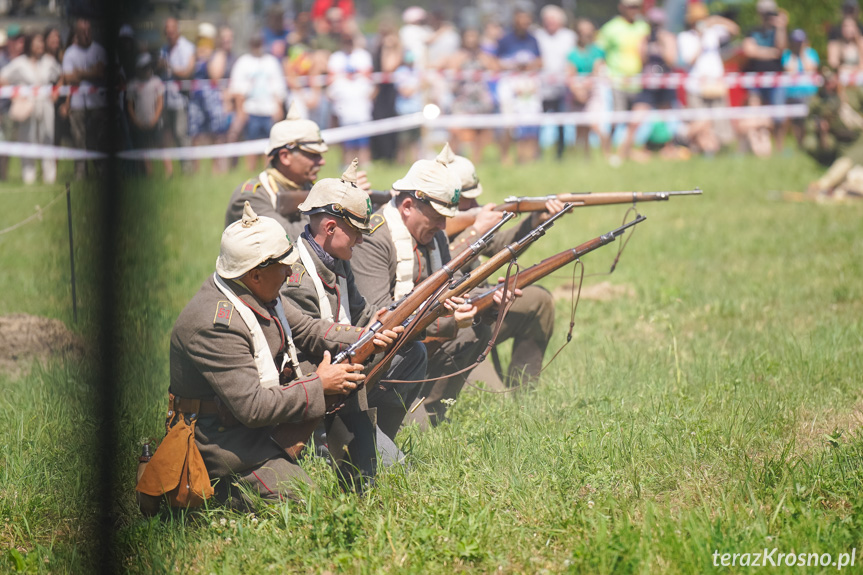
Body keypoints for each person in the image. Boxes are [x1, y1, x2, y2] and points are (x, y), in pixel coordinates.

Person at [169, 201, 399, 507]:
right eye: (283, 266)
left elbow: (308, 329)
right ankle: (219, 492)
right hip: (222, 443)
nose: (291, 271)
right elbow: (252, 407)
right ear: (255, 274)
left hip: (256, 429)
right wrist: (320, 385)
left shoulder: (258, 291)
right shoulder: (214, 324)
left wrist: (368, 336)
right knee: (312, 504)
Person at [282, 159, 428, 441]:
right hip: (315, 380)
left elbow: (361, 312)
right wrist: (366, 334)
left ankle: (375, 436)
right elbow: (308, 341)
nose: (360, 240)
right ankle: (326, 438)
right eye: (356, 232)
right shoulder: (295, 275)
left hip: (345, 359)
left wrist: (391, 321)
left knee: (412, 351)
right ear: (330, 228)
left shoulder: (338, 260)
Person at [350, 143, 488, 426]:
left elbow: (452, 285)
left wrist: (488, 297)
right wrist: (447, 320)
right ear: (408, 206)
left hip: (416, 342)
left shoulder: (433, 234)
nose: (442, 227)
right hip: (378, 354)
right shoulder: (376, 238)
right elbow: (380, 317)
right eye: (437, 217)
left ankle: (432, 408)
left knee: (477, 328)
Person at [446, 153, 559, 388]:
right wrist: (475, 231)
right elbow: (441, 272)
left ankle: (525, 392)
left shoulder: (463, 225)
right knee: (498, 404)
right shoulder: (427, 231)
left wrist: (536, 220)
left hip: (482, 310)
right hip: (452, 328)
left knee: (539, 300)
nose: (476, 206)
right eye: (468, 200)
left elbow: (499, 245)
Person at [224, 103, 328, 238]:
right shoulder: (251, 197)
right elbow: (287, 238)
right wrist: (326, 211)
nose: (322, 161)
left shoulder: (306, 185)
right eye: (313, 155)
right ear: (285, 157)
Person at [677, 2, 738, 155]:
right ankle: (699, 149)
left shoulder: (714, 32)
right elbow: (689, 60)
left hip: (715, 84)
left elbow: (735, 30)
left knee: (719, 122)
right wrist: (700, 40)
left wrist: (717, 20)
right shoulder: (685, 37)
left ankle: (718, 150)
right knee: (701, 122)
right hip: (696, 87)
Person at [0, 31, 61, 184]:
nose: (40, 45)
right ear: (30, 45)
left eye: (42, 42)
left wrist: (56, 93)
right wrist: (16, 96)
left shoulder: (48, 61)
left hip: (46, 106)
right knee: (28, 141)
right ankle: (29, 177)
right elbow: (3, 78)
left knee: (48, 140)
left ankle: (49, 177)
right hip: (28, 107)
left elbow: (61, 76)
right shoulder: (20, 63)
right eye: (37, 42)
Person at [596, 0, 650, 162]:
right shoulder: (610, 28)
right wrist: (604, 74)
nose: (634, 10)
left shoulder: (643, 26)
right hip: (617, 81)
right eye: (630, 6)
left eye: (637, 6)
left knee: (634, 121)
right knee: (617, 120)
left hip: (638, 81)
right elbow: (599, 53)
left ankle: (624, 152)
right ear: (622, 8)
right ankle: (606, 152)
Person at [438, 26, 498, 163]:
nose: (472, 40)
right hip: (462, 100)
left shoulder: (484, 56)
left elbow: (495, 69)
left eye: (474, 36)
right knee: (456, 132)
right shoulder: (457, 56)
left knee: (480, 134)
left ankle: (476, 161)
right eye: (469, 37)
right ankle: (450, 162)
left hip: (480, 99)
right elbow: (450, 72)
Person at [229, 32, 287, 172]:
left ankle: (268, 173)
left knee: (270, 146)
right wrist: (241, 111)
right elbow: (237, 89)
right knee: (251, 145)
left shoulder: (271, 61)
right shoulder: (243, 62)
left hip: (269, 110)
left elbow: (278, 86)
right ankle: (251, 173)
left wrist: (278, 108)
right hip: (251, 110)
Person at [62, 18, 107, 180]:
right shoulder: (70, 53)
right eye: (83, 32)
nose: (87, 35)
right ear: (77, 34)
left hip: (98, 104)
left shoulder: (99, 50)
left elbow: (103, 73)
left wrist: (79, 73)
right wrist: (91, 72)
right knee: (79, 140)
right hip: (78, 104)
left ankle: (102, 172)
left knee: (98, 139)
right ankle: (80, 174)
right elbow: (68, 78)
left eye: (89, 31)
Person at [741, 0, 788, 152]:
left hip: (775, 80)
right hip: (755, 79)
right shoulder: (752, 30)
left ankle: (780, 148)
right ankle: (756, 148)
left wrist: (781, 27)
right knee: (755, 113)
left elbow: (781, 49)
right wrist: (771, 52)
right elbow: (749, 51)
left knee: (779, 116)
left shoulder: (778, 31)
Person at [535, 4, 575, 160]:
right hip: (541, 86)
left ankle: (560, 153)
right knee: (538, 121)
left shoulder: (569, 36)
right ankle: (537, 153)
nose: (550, 22)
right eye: (548, 19)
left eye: (553, 19)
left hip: (562, 87)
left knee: (561, 122)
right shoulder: (537, 35)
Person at [567, 18, 610, 159]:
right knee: (580, 128)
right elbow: (570, 74)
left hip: (593, 91)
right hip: (577, 92)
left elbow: (597, 71)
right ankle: (584, 158)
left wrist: (585, 88)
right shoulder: (572, 53)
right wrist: (577, 91)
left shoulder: (598, 51)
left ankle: (607, 154)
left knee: (594, 124)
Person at [159, 17, 195, 176]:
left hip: (181, 100)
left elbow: (187, 72)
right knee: (165, 137)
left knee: (181, 134)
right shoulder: (163, 49)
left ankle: (187, 169)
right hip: (165, 100)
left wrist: (170, 68)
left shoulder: (187, 47)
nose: (170, 32)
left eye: (172, 29)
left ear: (177, 30)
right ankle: (169, 172)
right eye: (167, 30)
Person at [125, 52, 164, 175]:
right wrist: (136, 121)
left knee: (161, 147)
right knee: (144, 149)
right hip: (140, 123)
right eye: (144, 67)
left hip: (155, 122)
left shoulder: (156, 81)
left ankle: (169, 173)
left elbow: (160, 102)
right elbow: (129, 105)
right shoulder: (132, 84)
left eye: (149, 67)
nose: (147, 70)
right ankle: (149, 174)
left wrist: (155, 119)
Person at [782, 29, 820, 147]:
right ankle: (799, 145)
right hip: (793, 94)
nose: (798, 44)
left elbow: (810, 69)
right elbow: (790, 71)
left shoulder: (811, 53)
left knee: (809, 121)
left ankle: (810, 144)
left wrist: (802, 52)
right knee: (796, 122)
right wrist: (794, 54)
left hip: (809, 93)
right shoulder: (788, 55)